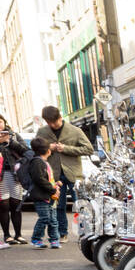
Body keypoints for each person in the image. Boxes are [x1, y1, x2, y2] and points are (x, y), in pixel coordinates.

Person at [36, 105, 94, 244]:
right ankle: (62, 234)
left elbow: (88, 149)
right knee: (59, 206)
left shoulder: (75, 130)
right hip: (53, 175)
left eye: (54, 122)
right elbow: (35, 148)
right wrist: (47, 147)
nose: (52, 125)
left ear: (60, 118)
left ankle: (85, 233)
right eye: (49, 123)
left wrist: (66, 148)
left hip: (73, 173)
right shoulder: (42, 132)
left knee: (80, 205)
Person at [0, 110, 28, 244]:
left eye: (0, 121)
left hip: (15, 174)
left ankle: (18, 234)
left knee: (16, 204)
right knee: (4, 205)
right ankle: (7, 235)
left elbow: (26, 151)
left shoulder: (13, 135)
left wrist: (10, 141)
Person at [22, 136, 60, 249]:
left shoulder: (43, 162)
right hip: (42, 196)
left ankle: (54, 240)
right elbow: (39, 179)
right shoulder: (37, 162)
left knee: (53, 219)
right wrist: (53, 189)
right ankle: (36, 239)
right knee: (45, 218)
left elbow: (46, 178)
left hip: (50, 196)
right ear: (48, 151)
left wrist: (56, 184)